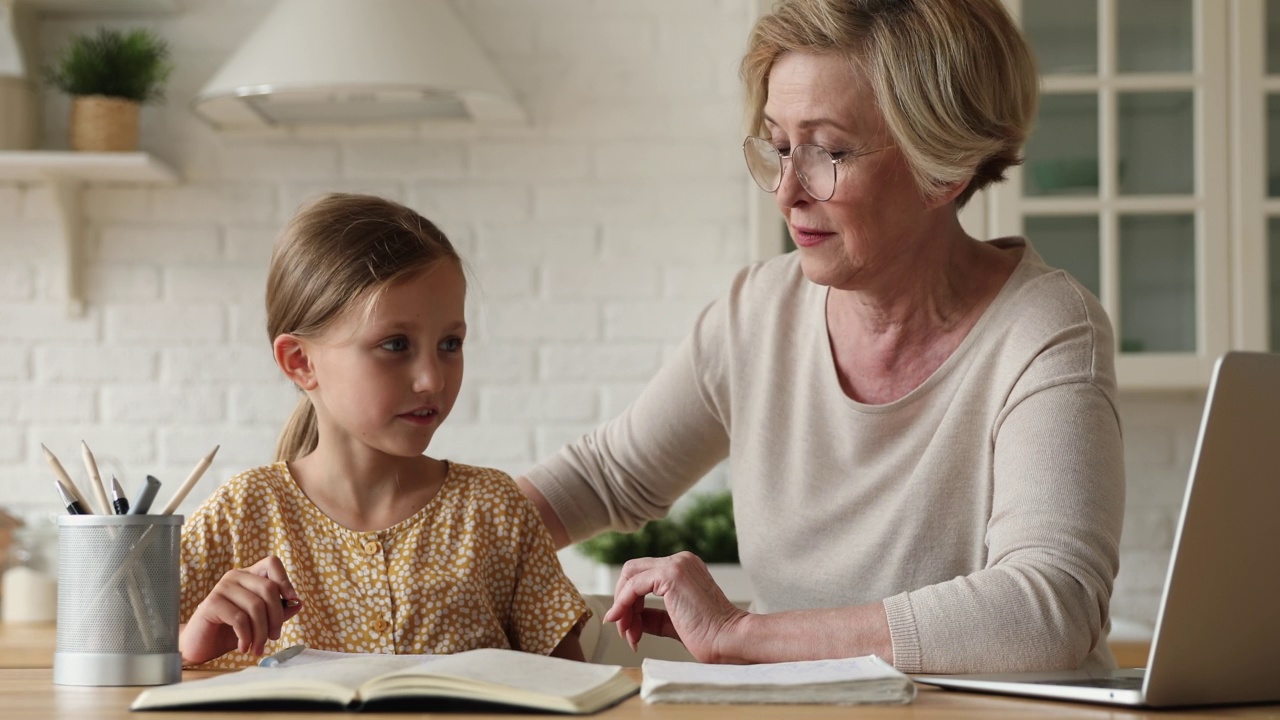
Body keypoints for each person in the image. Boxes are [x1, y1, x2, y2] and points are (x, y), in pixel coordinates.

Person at [517, 0, 1124, 675]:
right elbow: (604, 478)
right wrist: (408, 535)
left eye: (830, 151)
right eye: (778, 147)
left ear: (944, 168)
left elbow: (1051, 610)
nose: (786, 191)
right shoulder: (758, 312)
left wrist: (743, 634)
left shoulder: (1043, 329)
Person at [178, 193, 589, 669]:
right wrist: (186, 646)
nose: (432, 379)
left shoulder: (498, 513)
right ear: (301, 362)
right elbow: (111, 663)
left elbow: (577, 693)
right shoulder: (238, 515)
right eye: (396, 345)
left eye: (450, 344)